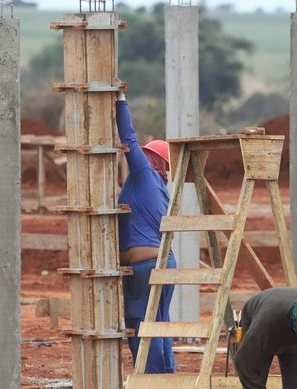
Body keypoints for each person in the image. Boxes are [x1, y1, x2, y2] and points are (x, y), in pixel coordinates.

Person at [116, 91, 176, 374]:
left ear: (153, 160)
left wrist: (121, 100)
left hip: (145, 268)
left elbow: (127, 138)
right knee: (159, 326)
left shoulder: (143, 174)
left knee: (141, 326)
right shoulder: (161, 188)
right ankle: (167, 380)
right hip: (163, 264)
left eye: (146, 153)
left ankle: (151, 381)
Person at [233, 287, 297, 389]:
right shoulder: (265, 324)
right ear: (295, 321)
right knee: (256, 377)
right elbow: (242, 362)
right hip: (266, 331)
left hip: (293, 337)